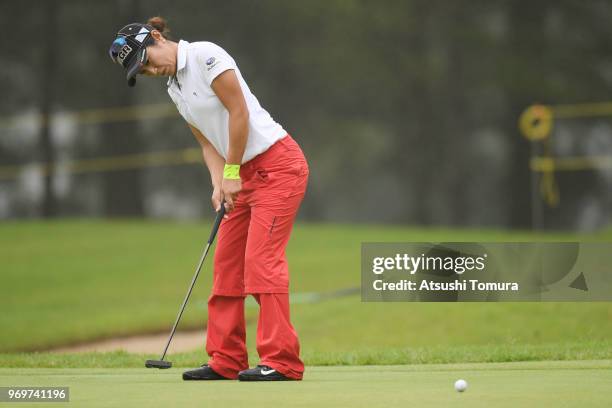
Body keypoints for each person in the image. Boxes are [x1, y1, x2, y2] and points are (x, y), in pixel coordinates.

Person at [109, 17, 308, 381]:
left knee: (261, 261)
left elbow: (239, 112)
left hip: (278, 167)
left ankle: (282, 361)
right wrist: (219, 181)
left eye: (148, 59)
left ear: (156, 37)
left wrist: (232, 173)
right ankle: (227, 359)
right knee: (226, 266)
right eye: (143, 70)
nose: (152, 70)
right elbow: (206, 141)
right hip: (240, 174)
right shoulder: (174, 88)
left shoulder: (205, 56)